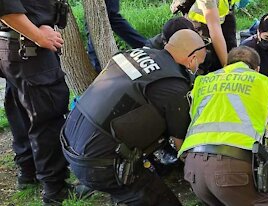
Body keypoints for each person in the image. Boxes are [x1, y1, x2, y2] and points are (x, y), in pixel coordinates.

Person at [61, 29, 207, 205]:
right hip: (97, 162)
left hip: (69, 138)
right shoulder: (174, 86)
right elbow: (181, 145)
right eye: (199, 63)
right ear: (191, 59)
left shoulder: (136, 53)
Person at [0, 0, 72, 204]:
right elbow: (3, 1)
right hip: (28, 50)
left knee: (21, 110)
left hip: (14, 48)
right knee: (47, 115)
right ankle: (55, 189)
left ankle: (28, 171)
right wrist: (39, 36)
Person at [178, 46, 268, 206]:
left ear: (226, 66)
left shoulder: (201, 83)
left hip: (194, 169)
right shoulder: (263, 84)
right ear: (257, 69)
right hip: (231, 169)